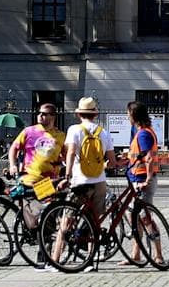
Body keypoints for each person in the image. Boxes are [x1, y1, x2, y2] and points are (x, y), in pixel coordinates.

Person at [55, 97, 110, 269]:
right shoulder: (104, 132)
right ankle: (91, 261)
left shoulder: (75, 129)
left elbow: (71, 152)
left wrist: (68, 174)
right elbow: (112, 160)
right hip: (100, 181)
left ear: (79, 114)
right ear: (94, 114)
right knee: (95, 222)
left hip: (80, 181)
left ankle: (55, 259)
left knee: (67, 220)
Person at [9, 104, 64, 187]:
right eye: (39, 113)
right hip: (29, 178)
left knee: (51, 199)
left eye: (44, 114)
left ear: (53, 117)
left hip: (50, 180)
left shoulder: (61, 136)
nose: (40, 115)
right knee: (23, 196)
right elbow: (14, 148)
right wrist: (12, 165)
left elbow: (66, 155)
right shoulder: (28, 131)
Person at [125, 101, 160, 206]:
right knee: (134, 213)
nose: (128, 117)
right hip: (139, 175)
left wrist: (147, 181)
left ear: (134, 115)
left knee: (143, 215)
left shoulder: (143, 134)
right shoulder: (145, 131)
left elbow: (149, 158)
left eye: (128, 114)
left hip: (142, 177)